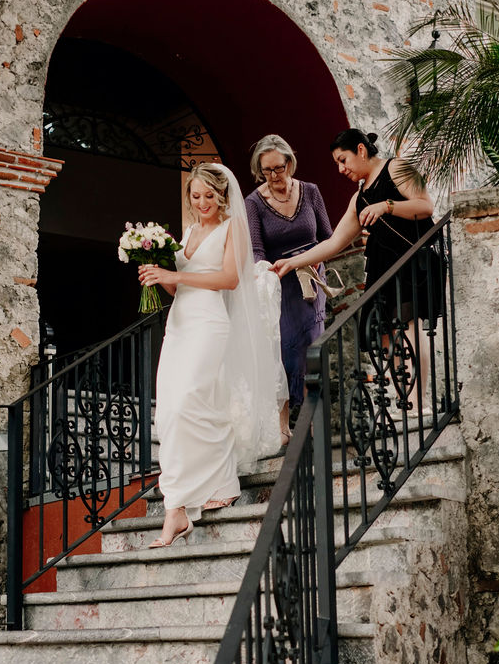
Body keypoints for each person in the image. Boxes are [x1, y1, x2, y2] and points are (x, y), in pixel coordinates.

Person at [138, 163, 285, 548]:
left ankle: (218, 482)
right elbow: (179, 290)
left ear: (221, 196)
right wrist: (158, 275)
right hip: (180, 324)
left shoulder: (232, 226)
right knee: (168, 410)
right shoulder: (188, 232)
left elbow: (230, 279)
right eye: (195, 196)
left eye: (208, 196)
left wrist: (176, 277)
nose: (201, 203)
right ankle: (176, 508)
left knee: (192, 401)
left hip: (209, 324)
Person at [272, 129, 438, 413]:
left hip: (413, 262)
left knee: (408, 332)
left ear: (361, 150)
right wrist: (292, 263)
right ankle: (406, 403)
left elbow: (426, 206)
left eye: (343, 160)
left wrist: (387, 206)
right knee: (387, 337)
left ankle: (420, 404)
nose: (341, 169)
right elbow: (334, 242)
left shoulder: (396, 168)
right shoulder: (358, 198)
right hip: (382, 269)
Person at [246, 134, 333, 443]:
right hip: (279, 287)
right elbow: (256, 250)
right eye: (267, 170)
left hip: (309, 283)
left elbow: (327, 236)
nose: (274, 176)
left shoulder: (310, 192)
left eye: (279, 168)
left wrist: (310, 261)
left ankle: (313, 423)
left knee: (312, 350)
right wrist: (267, 269)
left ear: (289, 163)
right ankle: (283, 427)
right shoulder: (254, 203)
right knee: (282, 353)